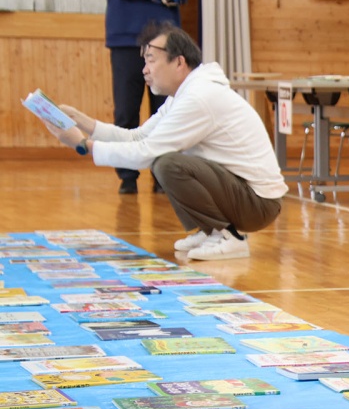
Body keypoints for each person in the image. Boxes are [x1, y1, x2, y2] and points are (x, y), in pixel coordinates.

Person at [37, 23, 287, 262]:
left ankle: (228, 236)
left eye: (151, 60)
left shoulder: (198, 97)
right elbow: (138, 137)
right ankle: (211, 230)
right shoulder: (184, 95)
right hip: (245, 195)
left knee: (167, 164)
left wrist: (83, 145)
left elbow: (144, 152)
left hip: (258, 204)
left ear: (179, 62)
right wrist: (83, 121)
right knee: (164, 161)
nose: (144, 70)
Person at [101, 0, 189, 195]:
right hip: (125, 40)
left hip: (165, 41)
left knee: (165, 111)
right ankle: (127, 177)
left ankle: (163, 176)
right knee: (126, 111)